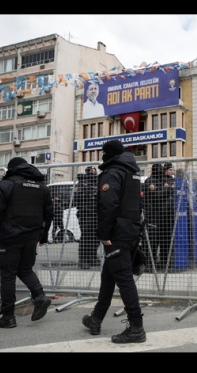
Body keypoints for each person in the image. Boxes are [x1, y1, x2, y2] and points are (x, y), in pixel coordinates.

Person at [82, 140, 146, 344]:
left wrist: (104, 233)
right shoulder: (132, 171)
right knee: (108, 276)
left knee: (124, 279)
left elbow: (108, 205)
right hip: (130, 229)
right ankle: (96, 318)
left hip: (116, 232)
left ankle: (136, 327)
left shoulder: (113, 172)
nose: (102, 157)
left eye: (103, 154)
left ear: (108, 155)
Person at [0, 157, 54, 328]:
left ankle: (8, 316)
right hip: (31, 238)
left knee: (8, 275)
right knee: (25, 269)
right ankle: (40, 297)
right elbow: (49, 215)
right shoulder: (42, 188)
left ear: (11, 169)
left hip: (10, 238)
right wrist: (42, 237)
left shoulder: (6, 185)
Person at [143, 163, 175, 271]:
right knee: (152, 242)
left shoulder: (165, 180)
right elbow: (156, 195)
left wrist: (165, 189)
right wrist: (168, 189)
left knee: (165, 241)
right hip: (153, 216)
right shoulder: (149, 181)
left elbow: (161, 193)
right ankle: (149, 265)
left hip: (166, 216)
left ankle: (164, 264)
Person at [74, 166, 100, 269]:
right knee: (86, 237)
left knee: (96, 238)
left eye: (94, 171)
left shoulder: (98, 183)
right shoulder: (82, 183)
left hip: (96, 214)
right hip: (85, 214)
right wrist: (89, 194)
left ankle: (92, 257)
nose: (93, 172)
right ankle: (83, 260)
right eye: (91, 171)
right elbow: (77, 198)